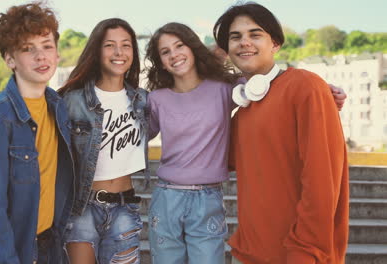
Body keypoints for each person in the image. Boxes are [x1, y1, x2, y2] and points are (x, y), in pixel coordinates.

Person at [213, 2, 349, 263]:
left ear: (275, 44)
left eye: (255, 35)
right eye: (235, 37)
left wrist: (305, 251)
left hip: (298, 255)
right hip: (248, 253)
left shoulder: (306, 86)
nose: (244, 43)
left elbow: (322, 180)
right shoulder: (242, 113)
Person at [0, 3, 75, 263]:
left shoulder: (60, 108)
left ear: (58, 54)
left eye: (47, 46)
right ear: (9, 59)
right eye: (28, 49)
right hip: (14, 252)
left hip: (51, 247)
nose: (41, 56)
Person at [145, 22, 239, 264]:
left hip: (207, 198)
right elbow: (136, 136)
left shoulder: (225, 89)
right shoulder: (156, 99)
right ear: (161, 61)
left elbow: (270, 87)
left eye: (179, 45)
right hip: (166, 198)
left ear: (193, 47)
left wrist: (322, 90)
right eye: (165, 52)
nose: (174, 54)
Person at [58, 18, 149, 264]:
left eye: (126, 45)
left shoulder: (143, 100)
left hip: (125, 207)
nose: (119, 52)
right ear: (97, 51)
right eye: (110, 45)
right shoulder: (71, 100)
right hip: (82, 208)